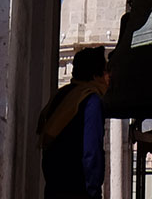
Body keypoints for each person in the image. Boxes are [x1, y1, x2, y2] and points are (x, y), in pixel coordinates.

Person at [38, 46, 110, 199]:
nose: (108, 77)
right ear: (96, 75)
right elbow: (92, 152)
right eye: (105, 71)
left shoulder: (60, 97)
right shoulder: (91, 100)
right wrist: (94, 192)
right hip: (79, 190)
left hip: (54, 188)